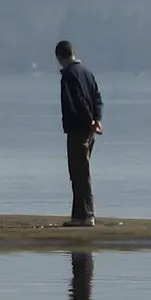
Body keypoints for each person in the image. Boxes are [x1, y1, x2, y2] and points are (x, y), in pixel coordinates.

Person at [56, 40, 104, 226]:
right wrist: (97, 119)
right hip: (88, 130)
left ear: (60, 57)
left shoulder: (69, 76)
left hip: (78, 129)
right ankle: (78, 215)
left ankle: (85, 215)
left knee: (79, 172)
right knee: (80, 171)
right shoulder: (87, 73)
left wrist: (89, 121)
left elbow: (77, 101)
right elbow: (97, 98)